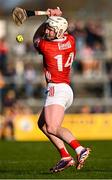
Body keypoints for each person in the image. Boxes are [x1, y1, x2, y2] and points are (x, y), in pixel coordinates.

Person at [32, 7, 91, 173]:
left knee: (52, 127)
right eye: (48, 28)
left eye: (51, 29)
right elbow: (62, 28)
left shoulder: (46, 47)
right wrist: (55, 17)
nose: (47, 31)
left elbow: (36, 37)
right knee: (42, 125)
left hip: (56, 88)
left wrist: (46, 18)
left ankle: (80, 149)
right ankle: (65, 156)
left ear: (58, 32)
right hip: (66, 89)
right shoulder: (70, 40)